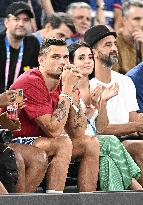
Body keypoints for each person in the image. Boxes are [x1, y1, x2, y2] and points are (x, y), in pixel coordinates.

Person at [9, 38, 100, 193]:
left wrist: (72, 92)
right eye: (56, 57)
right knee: (62, 143)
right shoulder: (30, 81)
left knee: (90, 142)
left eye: (65, 57)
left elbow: (78, 131)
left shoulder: (66, 83)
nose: (63, 62)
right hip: (12, 140)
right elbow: (53, 130)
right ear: (41, 60)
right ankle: (54, 200)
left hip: (41, 140)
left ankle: (88, 200)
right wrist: (66, 91)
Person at [68, 41, 143, 191]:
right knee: (110, 141)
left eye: (89, 57)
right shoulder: (68, 89)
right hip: (74, 142)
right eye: (81, 58)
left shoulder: (95, 87)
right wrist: (93, 106)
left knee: (108, 162)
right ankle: (138, 190)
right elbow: (76, 129)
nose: (88, 61)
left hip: (96, 142)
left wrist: (103, 101)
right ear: (71, 63)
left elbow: (100, 127)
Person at [84, 24, 143, 187]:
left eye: (114, 44)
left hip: (129, 138)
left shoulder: (126, 81)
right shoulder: (87, 85)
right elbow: (98, 129)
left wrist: (137, 124)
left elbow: (134, 124)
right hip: (105, 142)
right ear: (93, 52)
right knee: (139, 147)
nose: (114, 48)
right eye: (108, 45)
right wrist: (134, 125)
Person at [0, 1, 40, 94]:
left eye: (26, 20)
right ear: (7, 22)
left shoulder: (33, 43)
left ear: (30, 23)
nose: (21, 24)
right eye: (16, 19)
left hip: (20, 99)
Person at [113, 0, 143, 74]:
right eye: (137, 19)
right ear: (124, 20)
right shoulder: (113, 43)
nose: (142, 24)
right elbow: (113, 80)